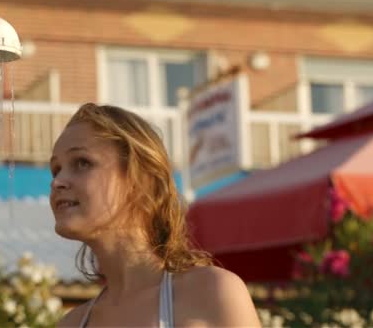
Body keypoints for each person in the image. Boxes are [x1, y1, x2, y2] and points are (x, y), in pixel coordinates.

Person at [49, 103, 261, 327]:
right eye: (56, 169)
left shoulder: (210, 293)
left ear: (142, 180)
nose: (57, 182)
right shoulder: (72, 323)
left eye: (82, 163)